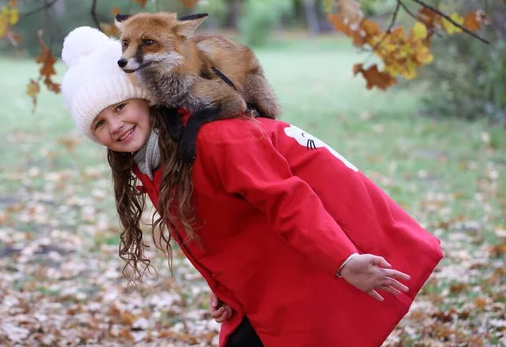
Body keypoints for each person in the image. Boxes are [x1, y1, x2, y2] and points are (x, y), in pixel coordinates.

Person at [60, 26, 443, 347]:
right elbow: (207, 230)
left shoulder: (215, 139)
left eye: (120, 107)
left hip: (319, 250)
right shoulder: (153, 158)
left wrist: (343, 262)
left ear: (144, 97)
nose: (114, 125)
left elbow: (287, 198)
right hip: (269, 273)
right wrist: (222, 290)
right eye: (99, 123)